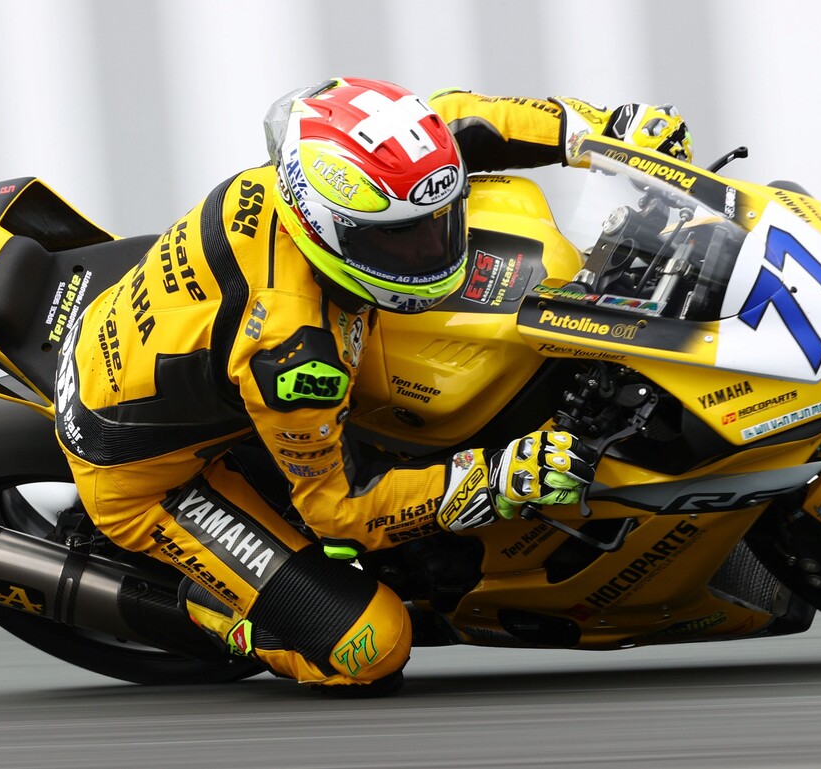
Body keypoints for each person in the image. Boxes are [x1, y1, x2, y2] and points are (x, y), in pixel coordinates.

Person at [53, 77, 693, 694]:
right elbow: (339, 510)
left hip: (163, 336)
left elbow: (454, 119)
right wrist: (492, 477)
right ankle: (206, 611)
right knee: (372, 647)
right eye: (402, 238)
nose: (433, 246)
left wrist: (601, 129)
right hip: (148, 476)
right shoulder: (297, 358)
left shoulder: (320, 174)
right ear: (330, 230)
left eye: (438, 220)